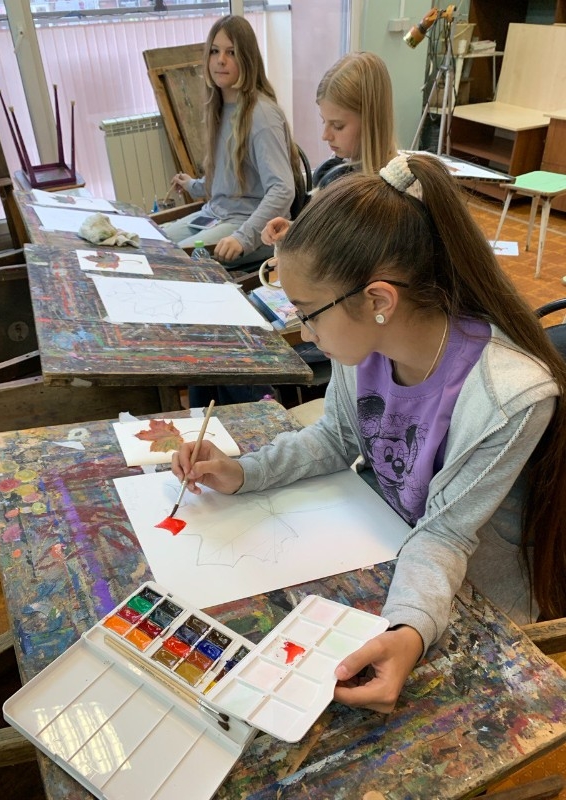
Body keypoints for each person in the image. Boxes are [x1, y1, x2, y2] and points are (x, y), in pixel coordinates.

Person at [172, 152, 566, 713]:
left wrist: (408, 631)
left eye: (308, 312)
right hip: (390, 540)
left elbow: (446, 534)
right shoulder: (365, 347)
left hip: (475, 599)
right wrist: (243, 471)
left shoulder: (507, 397)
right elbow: (338, 438)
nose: (303, 330)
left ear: (379, 300)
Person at [162, 15, 299, 267]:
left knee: (172, 263)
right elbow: (229, 181)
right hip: (215, 215)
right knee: (153, 244)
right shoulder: (219, 107)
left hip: (249, 227)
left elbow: (283, 189)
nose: (220, 60)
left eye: (231, 52)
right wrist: (193, 185)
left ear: (247, 59)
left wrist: (242, 238)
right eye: (214, 51)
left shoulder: (262, 115)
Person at [262, 51, 396, 247]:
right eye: (324, 121)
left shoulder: (393, 198)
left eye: (338, 126)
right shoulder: (337, 171)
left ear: (371, 122)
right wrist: (293, 231)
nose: (325, 135)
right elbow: (324, 236)